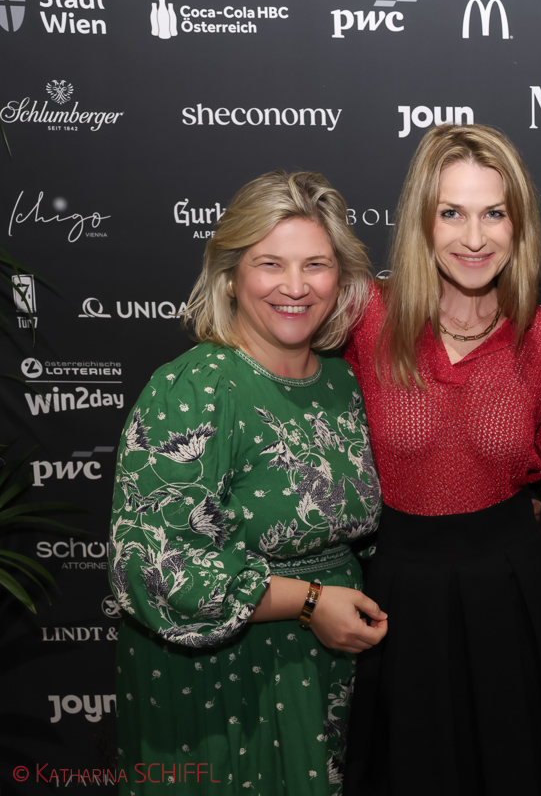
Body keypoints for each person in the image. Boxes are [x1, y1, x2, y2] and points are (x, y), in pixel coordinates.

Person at [109, 170, 384, 796]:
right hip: (222, 685)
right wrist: (310, 602)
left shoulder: (342, 381)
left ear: (340, 277)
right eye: (270, 264)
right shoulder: (194, 388)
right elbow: (154, 567)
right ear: (231, 275)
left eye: (315, 265)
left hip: (327, 674)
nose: (295, 287)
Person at [343, 123, 541, 796]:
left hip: (514, 589)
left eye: (493, 214)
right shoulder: (368, 318)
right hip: (400, 592)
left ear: (519, 225)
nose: (474, 238)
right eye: (451, 213)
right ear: (421, 221)